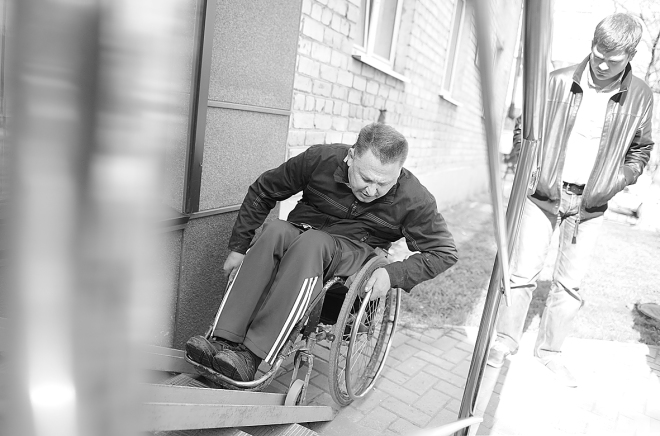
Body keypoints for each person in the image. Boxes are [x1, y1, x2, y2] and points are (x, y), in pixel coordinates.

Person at [185, 122, 458, 382]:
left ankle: (252, 356)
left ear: (398, 173)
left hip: (354, 252)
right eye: (365, 178)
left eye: (383, 183)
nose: (372, 190)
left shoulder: (413, 199)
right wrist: (239, 247)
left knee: (312, 243)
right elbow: (264, 190)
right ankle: (223, 339)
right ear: (351, 156)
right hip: (302, 231)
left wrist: (392, 274)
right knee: (276, 230)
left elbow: (444, 252)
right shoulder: (320, 159)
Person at [487, 13, 654, 387]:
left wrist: (614, 182)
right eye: (599, 53)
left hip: (589, 205)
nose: (603, 63)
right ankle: (504, 341)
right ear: (592, 44)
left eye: (614, 59)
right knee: (522, 273)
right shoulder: (557, 81)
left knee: (569, 284)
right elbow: (524, 129)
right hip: (543, 195)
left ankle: (549, 352)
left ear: (630, 56)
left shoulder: (641, 96)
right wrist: (530, 171)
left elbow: (641, 149)